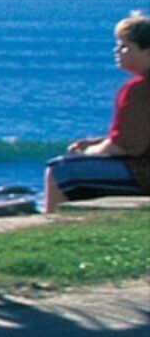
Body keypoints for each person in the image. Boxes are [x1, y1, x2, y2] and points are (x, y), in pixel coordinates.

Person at [42, 14, 150, 213]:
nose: (117, 51)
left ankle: (54, 227)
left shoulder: (139, 89)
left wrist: (89, 152)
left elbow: (124, 147)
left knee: (59, 170)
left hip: (144, 176)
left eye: (125, 46)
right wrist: (97, 142)